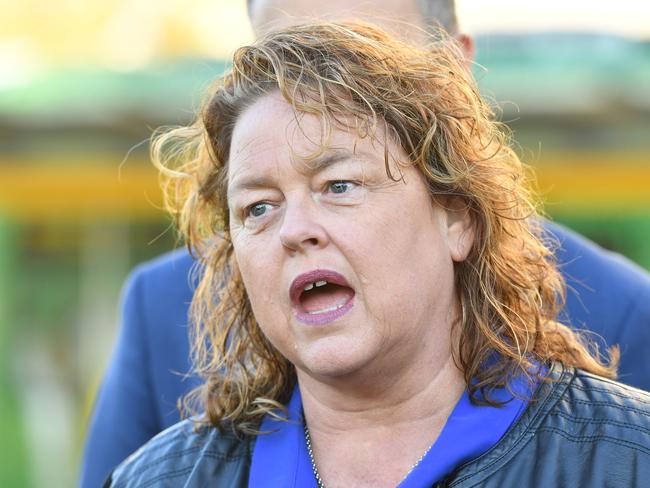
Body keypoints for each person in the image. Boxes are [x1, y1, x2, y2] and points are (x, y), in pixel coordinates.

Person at [79, 1, 650, 487]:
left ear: (456, 214)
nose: (294, 229)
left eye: (340, 185)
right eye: (258, 207)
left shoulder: (621, 457)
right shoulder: (162, 475)